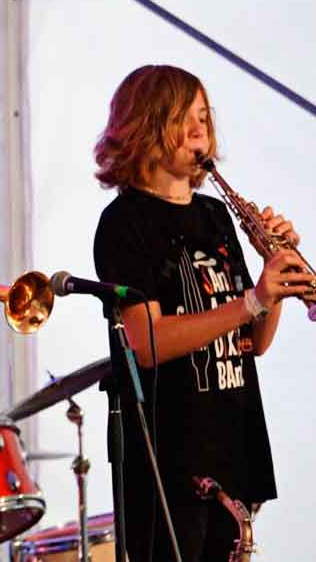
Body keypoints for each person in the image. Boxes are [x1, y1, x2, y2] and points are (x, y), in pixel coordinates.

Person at [92, 65, 315, 562]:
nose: (200, 131)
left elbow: (252, 341)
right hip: (171, 459)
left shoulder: (215, 216)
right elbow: (146, 342)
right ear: (144, 127)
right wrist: (251, 300)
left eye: (203, 118)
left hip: (232, 447)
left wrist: (272, 281)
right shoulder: (124, 222)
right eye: (182, 118)